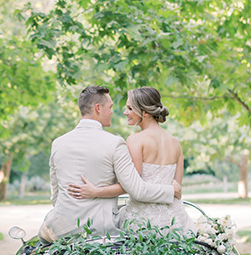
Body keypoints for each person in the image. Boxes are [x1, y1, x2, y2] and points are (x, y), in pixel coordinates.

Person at [38, 85, 181, 243]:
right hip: (100, 231)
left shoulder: (58, 143)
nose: (114, 111)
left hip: (59, 229)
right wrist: (171, 191)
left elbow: (56, 194)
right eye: (110, 107)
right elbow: (137, 189)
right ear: (98, 108)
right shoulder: (115, 143)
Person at [68, 86, 195, 232]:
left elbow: (130, 186)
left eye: (130, 108)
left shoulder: (135, 140)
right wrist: (171, 191)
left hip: (143, 221)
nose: (125, 112)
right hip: (176, 220)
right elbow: (176, 189)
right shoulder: (175, 143)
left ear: (145, 112)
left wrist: (95, 191)